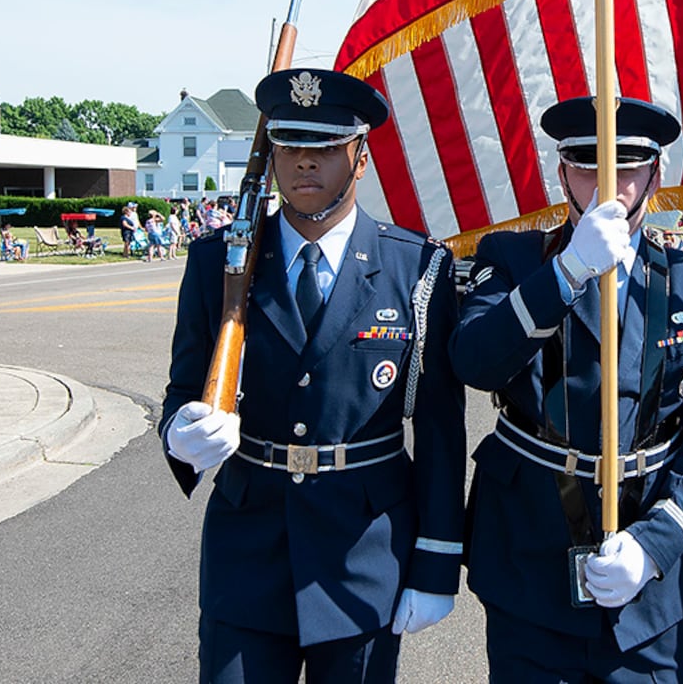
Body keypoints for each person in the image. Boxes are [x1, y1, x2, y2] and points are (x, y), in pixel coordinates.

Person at [160, 68, 464, 683]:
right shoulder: (218, 261)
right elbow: (183, 387)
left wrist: (435, 564)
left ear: (360, 156)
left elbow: (438, 430)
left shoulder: (417, 268)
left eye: (325, 147)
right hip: (247, 552)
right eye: (290, 144)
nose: (304, 162)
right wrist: (179, 433)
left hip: (363, 555)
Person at [452, 96, 683, 682]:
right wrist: (565, 273)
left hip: (652, 575)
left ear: (657, 174)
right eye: (587, 163)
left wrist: (659, 541)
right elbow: (475, 360)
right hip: (530, 553)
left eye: (629, 164)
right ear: (561, 173)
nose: (608, 181)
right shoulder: (511, 260)